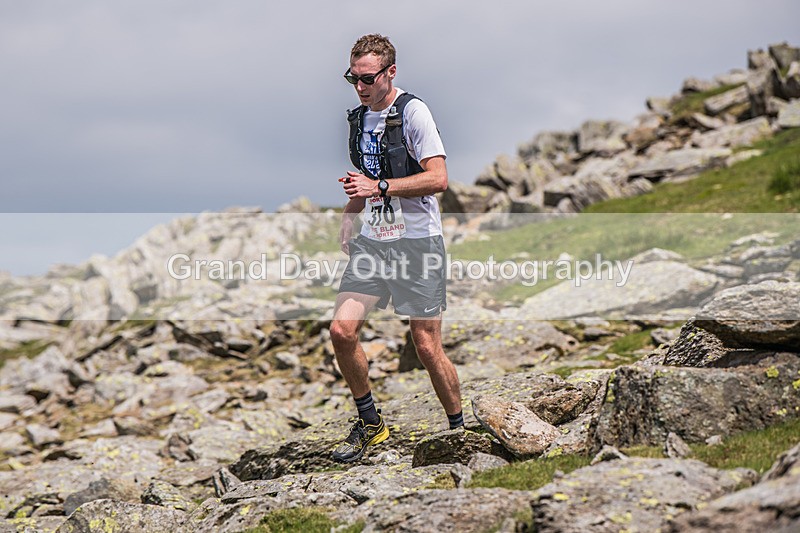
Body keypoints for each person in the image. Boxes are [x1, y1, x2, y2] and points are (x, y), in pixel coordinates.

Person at [330, 34, 464, 463]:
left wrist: (381, 186)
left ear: (390, 72)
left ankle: (459, 431)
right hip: (376, 241)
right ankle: (372, 425)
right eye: (352, 77)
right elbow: (365, 178)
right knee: (341, 331)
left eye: (367, 78)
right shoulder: (360, 118)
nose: (359, 86)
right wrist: (352, 211)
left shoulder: (414, 112)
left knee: (425, 346)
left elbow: (438, 179)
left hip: (418, 242)